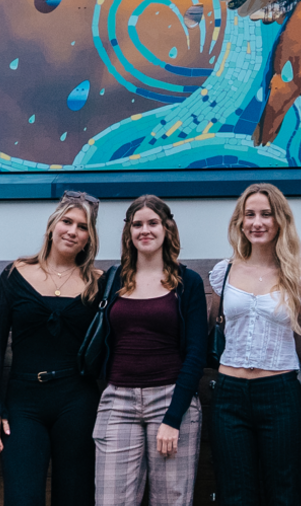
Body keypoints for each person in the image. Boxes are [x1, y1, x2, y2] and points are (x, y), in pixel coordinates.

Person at [0, 191, 104, 506]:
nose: (73, 231)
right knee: (22, 497)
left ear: (89, 238)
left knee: (75, 497)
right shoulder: (15, 274)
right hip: (23, 404)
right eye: (67, 222)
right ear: (52, 226)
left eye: (82, 227)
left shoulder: (99, 283)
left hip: (77, 402)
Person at [208, 183, 301, 506]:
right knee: (235, 493)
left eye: (266, 215)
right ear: (240, 222)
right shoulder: (224, 272)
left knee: (284, 492)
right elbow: (216, 326)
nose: (257, 222)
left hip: (280, 394)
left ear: (280, 220)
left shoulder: (300, 278)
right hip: (229, 394)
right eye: (250, 215)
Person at [92, 195, 208, 505]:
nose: (145, 230)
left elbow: (196, 353)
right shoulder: (112, 281)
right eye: (137, 224)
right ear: (128, 231)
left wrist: (173, 417)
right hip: (117, 402)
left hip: (171, 400)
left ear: (167, 228)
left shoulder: (188, 282)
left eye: (153, 223)